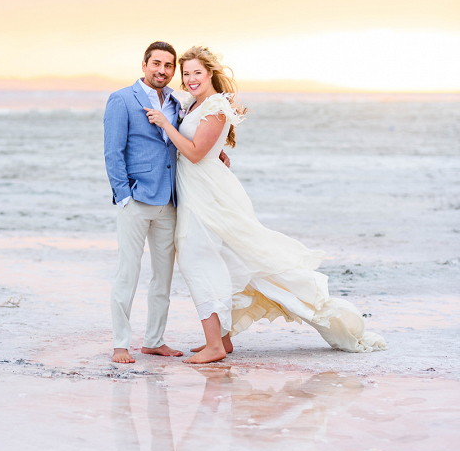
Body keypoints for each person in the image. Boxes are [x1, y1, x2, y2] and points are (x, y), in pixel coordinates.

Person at [144, 45, 387, 364]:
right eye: (186, 73)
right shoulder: (195, 104)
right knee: (226, 259)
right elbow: (205, 148)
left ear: (210, 74)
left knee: (196, 260)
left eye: (196, 73)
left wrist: (165, 125)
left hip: (207, 195)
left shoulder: (216, 104)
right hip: (197, 190)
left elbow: (194, 152)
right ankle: (222, 340)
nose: (190, 79)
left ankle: (215, 346)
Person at [103, 41, 230, 364]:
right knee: (127, 273)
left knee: (163, 277)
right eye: (156, 64)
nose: (162, 70)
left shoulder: (177, 102)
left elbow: (190, 139)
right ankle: (121, 343)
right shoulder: (121, 99)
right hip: (136, 200)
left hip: (171, 200)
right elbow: (112, 152)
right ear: (144, 65)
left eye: (168, 66)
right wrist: (124, 195)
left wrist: (218, 153)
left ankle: (154, 340)